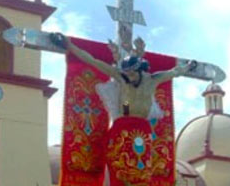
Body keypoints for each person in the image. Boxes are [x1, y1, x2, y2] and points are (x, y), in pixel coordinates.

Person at [52, 32, 197, 120]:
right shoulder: (121, 77)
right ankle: (126, 113)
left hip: (143, 124)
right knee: (126, 102)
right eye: (127, 72)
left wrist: (189, 66)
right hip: (126, 116)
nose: (129, 76)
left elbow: (175, 72)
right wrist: (70, 46)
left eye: (132, 72)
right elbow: (92, 61)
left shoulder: (153, 80)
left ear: (140, 70)